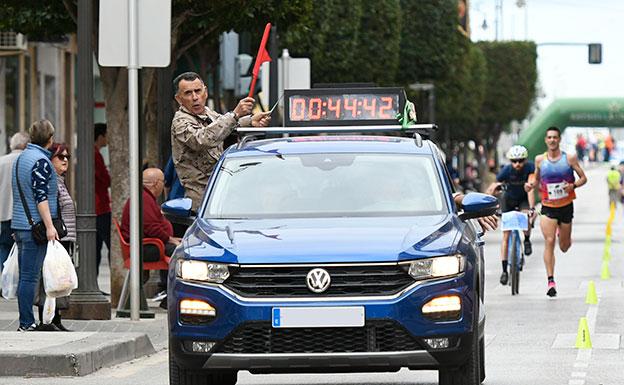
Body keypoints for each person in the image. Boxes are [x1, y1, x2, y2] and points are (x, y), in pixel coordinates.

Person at [171, 72, 271, 210]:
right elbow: (202, 139)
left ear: (205, 92)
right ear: (178, 99)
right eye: (188, 93)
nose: (195, 97)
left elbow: (226, 126)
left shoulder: (209, 113)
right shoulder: (180, 122)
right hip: (202, 203)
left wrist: (251, 121)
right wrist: (235, 114)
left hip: (225, 194)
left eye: (198, 91)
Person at [11, 120, 60, 331]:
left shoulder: (21, 158)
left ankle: (26, 320)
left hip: (21, 224)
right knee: (30, 277)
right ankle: (26, 322)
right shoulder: (41, 161)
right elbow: (41, 197)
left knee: (26, 276)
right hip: (34, 228)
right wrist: (50, 226)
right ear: (50, 139)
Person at [533, 126, 587, 297]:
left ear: (559, 140)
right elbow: (535, 180)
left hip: (565, 206)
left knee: (564, 246)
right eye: (549, 137)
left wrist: (573, 185)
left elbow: (584, 178)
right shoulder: (540, 160)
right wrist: (530, 186)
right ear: (545, 140)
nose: (552, 140)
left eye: (555, 137)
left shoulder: (569, 158)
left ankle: (563, 236)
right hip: (548, 206)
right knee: (549, 241)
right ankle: (550, 281)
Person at [120, 168, 181, 309]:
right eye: (162, 181)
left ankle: (170, 296)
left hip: (147, 244)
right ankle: (170, 296)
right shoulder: (143, 199)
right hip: (145, 247)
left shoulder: (144, 197)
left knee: (179, 248)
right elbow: (152, 228)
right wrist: (170, 239)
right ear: (156, 184)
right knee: (180, 253)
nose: (163, 184)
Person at [35, 143, 76, 331]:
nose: (65, 160)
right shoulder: (52, 182)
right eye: (60, 157)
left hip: (65, 237)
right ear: (50, 160)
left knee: (60, 279)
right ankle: (47, 319)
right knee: (50, 278)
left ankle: (56, 319)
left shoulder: (60, 181)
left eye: (67, 156)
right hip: (56, 236)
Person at [486, 145, 536, 286]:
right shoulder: (506, 171)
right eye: (514, 161)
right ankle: (504, 271)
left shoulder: (530, 168)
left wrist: (532, 209)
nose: (517, 164)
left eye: (520, 161)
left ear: (525, 160)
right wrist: (487, 204)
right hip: (508, 200)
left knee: (526, 216)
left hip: (523, 199)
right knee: (506, 235)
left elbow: (531, 186)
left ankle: (526, 239)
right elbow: (494, 187)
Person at [0, 132, 29, 274]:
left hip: (4, 214)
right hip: (24, 216)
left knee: (4, 248)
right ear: (26, 145)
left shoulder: (1, 162)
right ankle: (19, 282)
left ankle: (4, 282)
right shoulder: (29, 162)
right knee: (23, 250)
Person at [94, 123, 111, 280]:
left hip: (98, 206)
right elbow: (105, 179)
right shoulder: (95, 155)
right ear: (100, 137)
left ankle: (94, 281)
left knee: (96, 247)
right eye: (106, 135)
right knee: (109, 244)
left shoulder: (94, 154)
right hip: (100, 207)